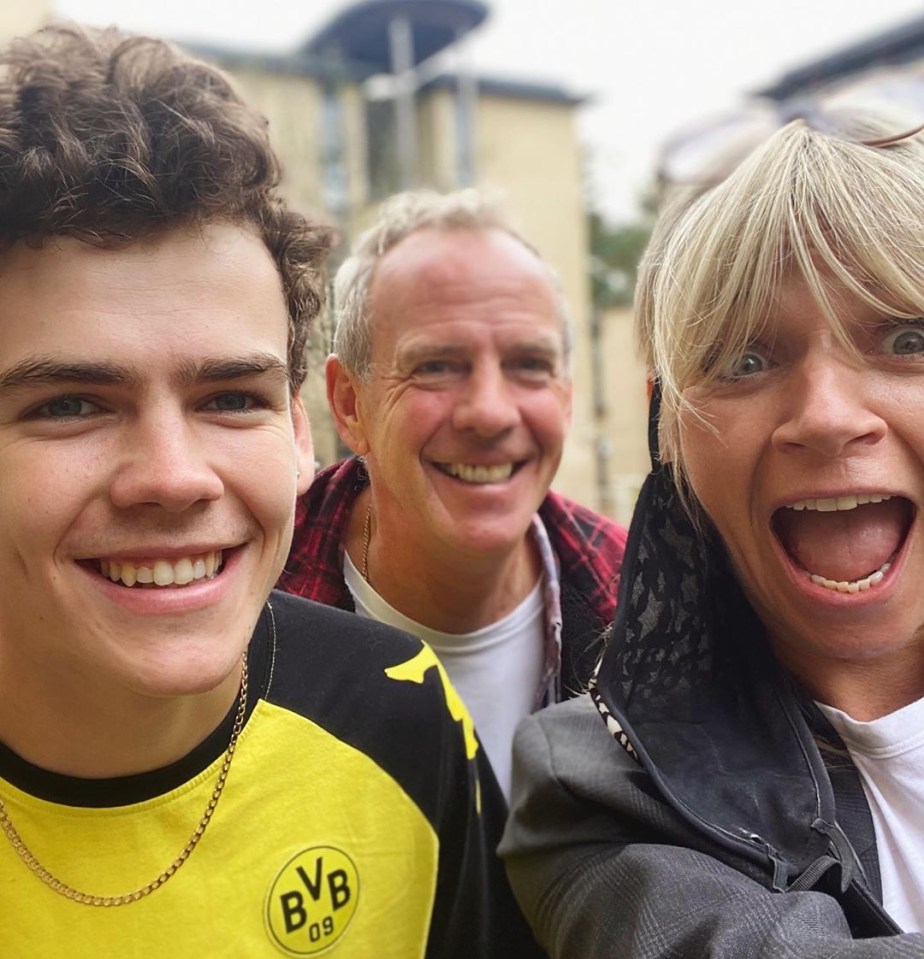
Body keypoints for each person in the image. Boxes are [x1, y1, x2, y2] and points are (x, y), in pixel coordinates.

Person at [0, 23, 542, 958]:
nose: (173, 476)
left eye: (230, 397)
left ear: (300, 431)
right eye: (72, 403)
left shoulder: (402, 715)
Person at [500, 105, 924, 954]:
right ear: (672, 433)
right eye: (746, 359)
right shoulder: (601, 783)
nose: (828, 417)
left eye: (906, 337)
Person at [278, 189, 627, 800]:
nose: (490, 413)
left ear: (566, 398)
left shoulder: (646, 608)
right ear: (348, 404)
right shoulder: (247, 607)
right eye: (437, 366)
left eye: (528, 364)